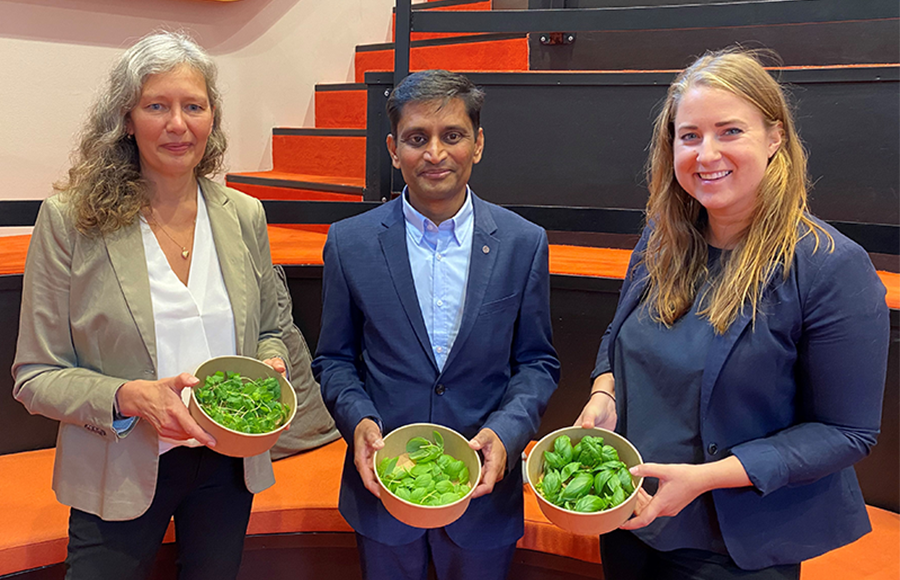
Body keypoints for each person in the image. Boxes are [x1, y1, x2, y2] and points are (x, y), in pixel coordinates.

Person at [576, 48, 890, 579]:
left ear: (775, 138)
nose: (706, 153)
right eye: (690, 135)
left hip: (732, 550)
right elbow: (619, 334)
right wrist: (604, 392)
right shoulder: (661, 238)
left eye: (730, 131)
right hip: (631, 522)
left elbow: (846, 431)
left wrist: (707, 477)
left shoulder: (830, 267)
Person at [12, 31, 289, 580]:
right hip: (117, 464)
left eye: (194, 105)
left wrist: (270, 363)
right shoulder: (70, 220)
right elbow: (33, 376)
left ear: (212, 117)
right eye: (157, 106)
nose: (178, 124)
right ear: (126, 118)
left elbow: (270, 329)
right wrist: (128, 396)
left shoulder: (243, 215)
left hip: (227, 464)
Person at [312, 69, 560, 580]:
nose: (435, 153)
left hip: (484, 497)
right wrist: (358, 420)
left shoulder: (523, 242)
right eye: (416, 138)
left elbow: (537, 363)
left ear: (478, 143)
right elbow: (334, 359)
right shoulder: (349, 243)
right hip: (385, 487)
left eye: (452, 136)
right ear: (393, 147)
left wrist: (507, 431)